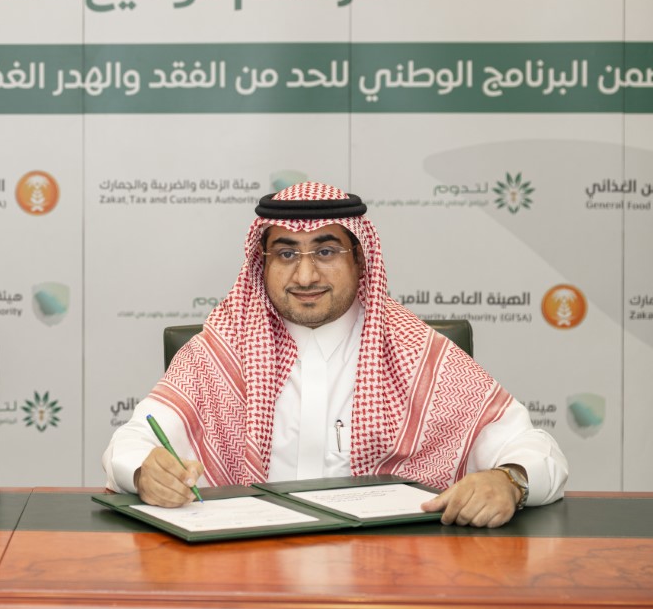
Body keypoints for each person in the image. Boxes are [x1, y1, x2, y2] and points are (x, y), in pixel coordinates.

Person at [103, 181, 567, 527]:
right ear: (262, 263)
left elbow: (535, 450)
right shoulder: (221, 351)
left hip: (389, 576)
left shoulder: (416, 351)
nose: (305, 276)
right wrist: (145, 473)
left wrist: (509, 481)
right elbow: (130, 443)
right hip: (245, 572)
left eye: (325, 251)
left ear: (360, 259)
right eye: (286, 254)